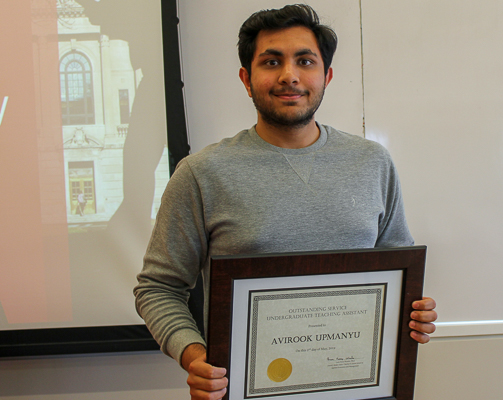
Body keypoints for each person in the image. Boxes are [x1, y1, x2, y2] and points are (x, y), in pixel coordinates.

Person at [134, 4, 437, 399]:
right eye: (271, 61)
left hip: (359, 387)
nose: (289, 75)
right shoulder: (202, 173)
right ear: (246, 78)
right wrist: (196, 358)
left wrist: (414, 311)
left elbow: (397, 268)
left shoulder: (372, 162)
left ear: (326, 76)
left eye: (305, 60)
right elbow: (158, 288)